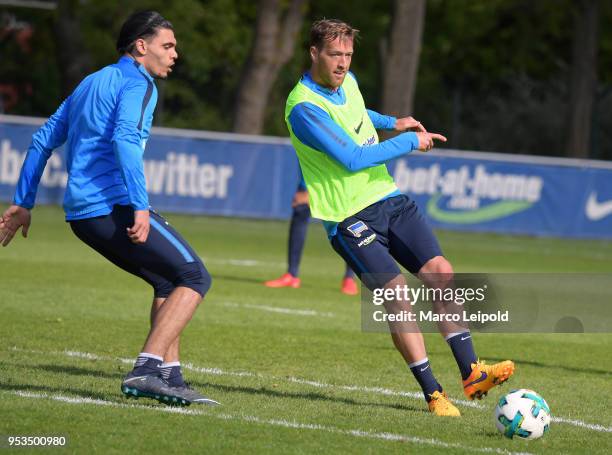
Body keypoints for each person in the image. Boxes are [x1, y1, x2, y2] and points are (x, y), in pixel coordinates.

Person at [285, 19, 514, 416]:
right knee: (398, 298)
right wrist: (409, 140)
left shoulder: (347, 82)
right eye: (334, 55)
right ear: (314, 53)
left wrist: (392, 122)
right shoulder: (303, 107)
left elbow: (357, 114)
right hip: (348, 216)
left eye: (348, 55)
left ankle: (473, 372)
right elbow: (352, 158)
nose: (342, 63)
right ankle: (433, 394)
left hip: (388, 198)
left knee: (440, 272)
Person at [0, 11, 218, 407]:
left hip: (82, 218)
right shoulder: (139, 83)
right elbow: (125, 141)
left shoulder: (91, 81)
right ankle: (146, 370)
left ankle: (170, 377)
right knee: (195, 276)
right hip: (112, 205)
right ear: (141, 47)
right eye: (167, 46)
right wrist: (140, 206)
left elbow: (42, 139)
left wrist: (23, 202)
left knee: (169, 281)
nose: (175, 54)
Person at [264, 170, 359, 295]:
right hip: (314, 177)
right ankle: (292, 274)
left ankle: (349, 278)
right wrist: (305, 186)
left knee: (348, 222)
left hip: (343, 179)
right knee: (300, 210)